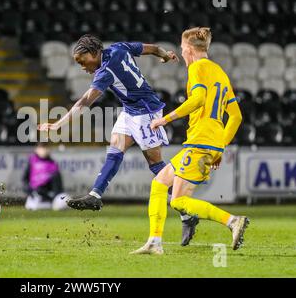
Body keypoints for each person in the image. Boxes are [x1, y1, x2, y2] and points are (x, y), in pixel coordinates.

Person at [39, 34, 199, 245]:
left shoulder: (106, 71)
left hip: (146, 112)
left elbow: (85, 101)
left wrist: (59, 124)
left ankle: (188, 212)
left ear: (94, 53)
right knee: (115, 145)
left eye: (82, 60)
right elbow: (148, 47)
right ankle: (95, 195)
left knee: (156, 166)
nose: (82, 66)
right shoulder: (118, 47)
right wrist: (164, 55)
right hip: (131, 110)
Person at [131, 27, 249, 255]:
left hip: (200, 142)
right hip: (209, 142)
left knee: (179, 201)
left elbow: (198, 99)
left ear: (189, 49)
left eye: (182, 49)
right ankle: (154, 241)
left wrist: (165, 119)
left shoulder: (197, 68)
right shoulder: (220, 72)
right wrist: (220, 146)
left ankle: (233, 221)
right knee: (159, 183)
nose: (182, 54)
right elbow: (236, 116)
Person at [22, 142, 68, 211]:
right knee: (34, 205)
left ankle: (52, 204)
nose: (44, 150)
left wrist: (53, 195)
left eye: (45, 147)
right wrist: (30, 191)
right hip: (35, 195)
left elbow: (58, 185)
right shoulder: (32, 161)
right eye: (41, 147)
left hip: (49, 195)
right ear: (36, 149)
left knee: (64, 199)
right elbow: (25, 180)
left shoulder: (53, 164)